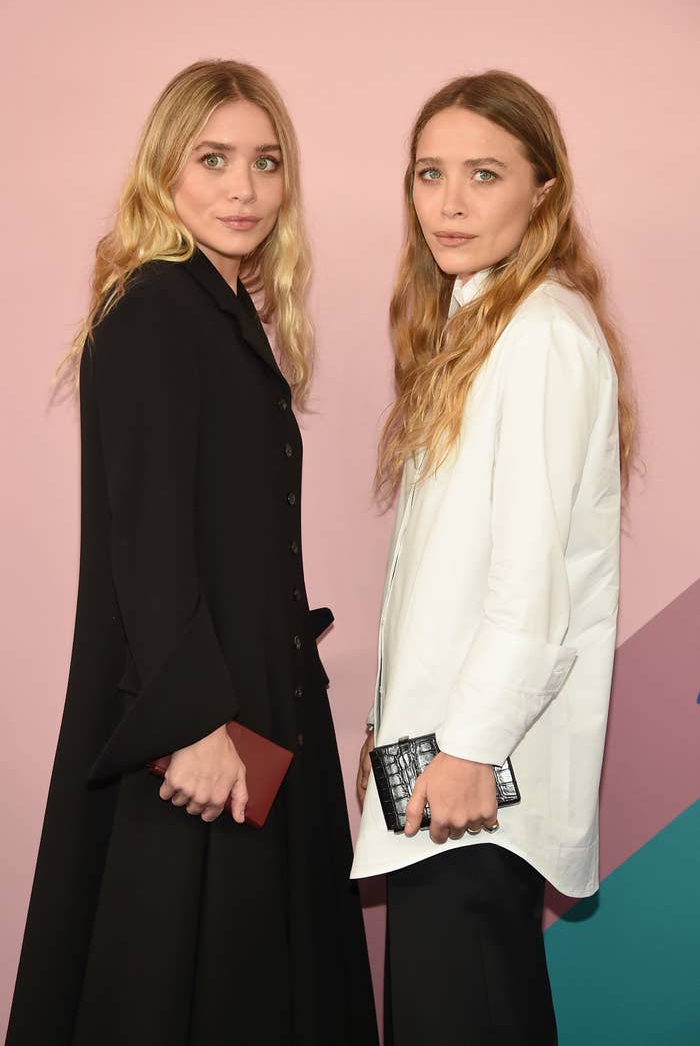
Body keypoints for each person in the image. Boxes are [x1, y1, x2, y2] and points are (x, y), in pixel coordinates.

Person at [7, 60, 378, 1046]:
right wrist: (198, 725)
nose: (243, 188)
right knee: (186, 981)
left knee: (234, 982)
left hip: (250, 705)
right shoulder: (160, 310)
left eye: (265, 162)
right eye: (213, 159)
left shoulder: (220, 318)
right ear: (164, 171)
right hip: (201, 724)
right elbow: (149, 539)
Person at [352, 70, 633, 1045]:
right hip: (443, 766)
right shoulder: (477, 326)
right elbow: (439, 591)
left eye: (483, 173)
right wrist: (399, 736)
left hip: (475, 774)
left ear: (541, 192)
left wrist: (468, 746)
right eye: (430, 174)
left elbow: (532, 585)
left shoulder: (542, 334)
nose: (450, 202)